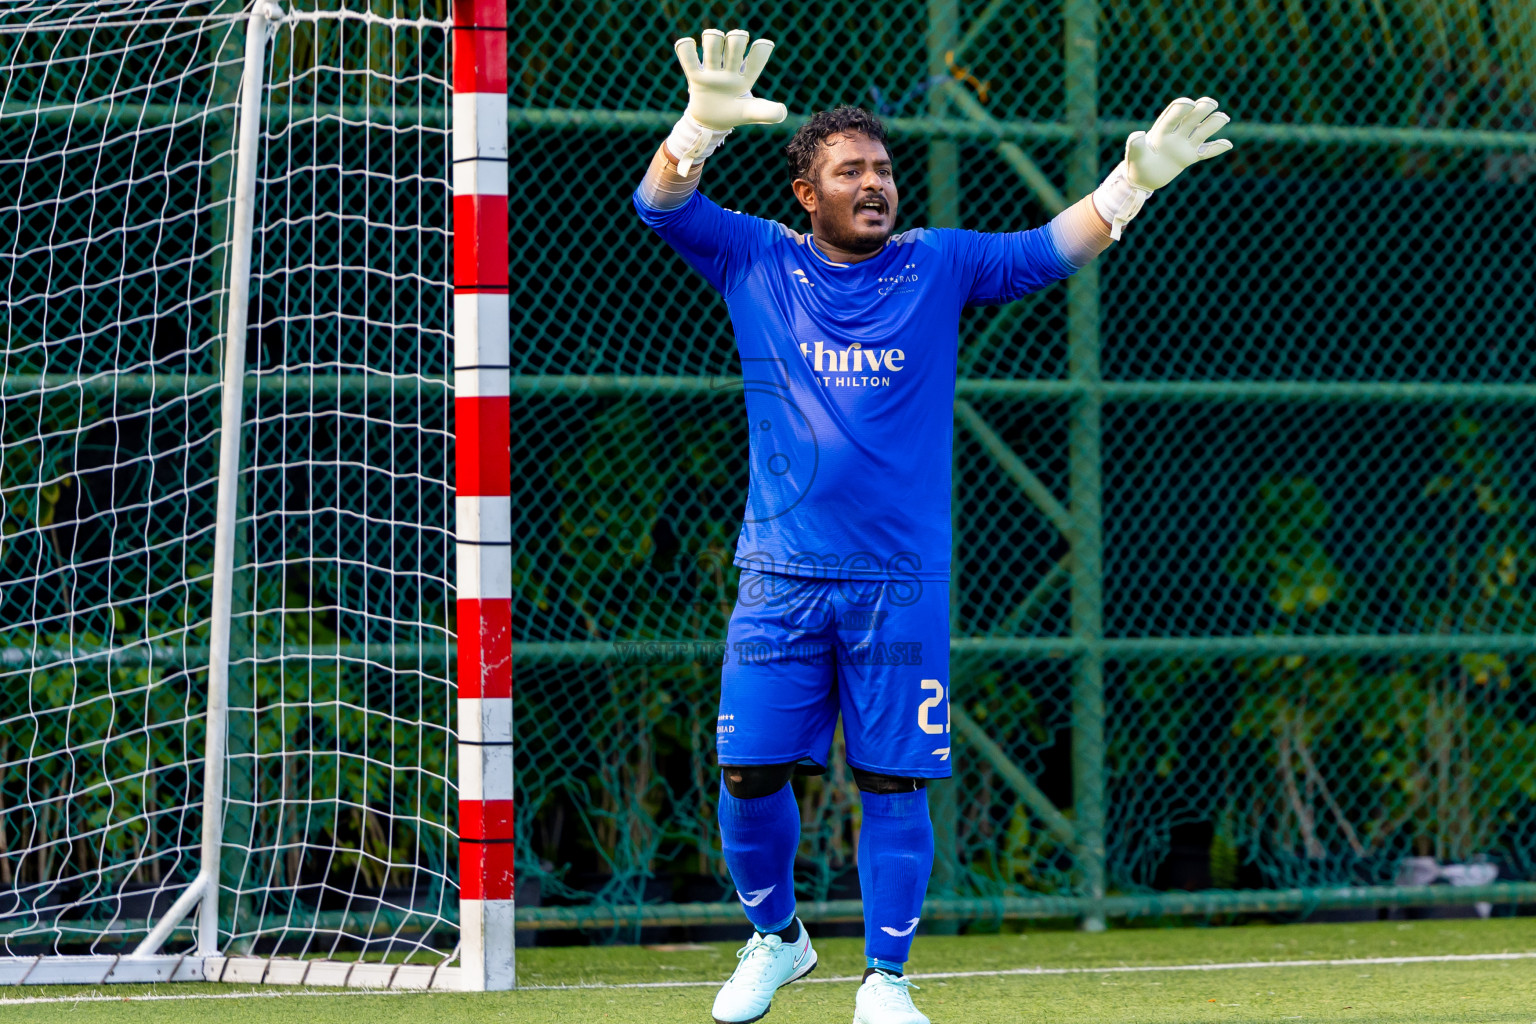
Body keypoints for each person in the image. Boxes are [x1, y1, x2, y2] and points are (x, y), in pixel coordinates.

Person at [632, 27, 1233, 1024]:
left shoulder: (938, 264)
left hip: (898, 585)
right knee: (745, 774)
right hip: (779, 576)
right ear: (806, 193)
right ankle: (776, 939)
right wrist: (696, 128)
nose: (873, 183)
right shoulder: (755, 259)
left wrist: (1133, 185)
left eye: (881, 169)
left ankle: (886, 980)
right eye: (848, 171)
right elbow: (660, 205)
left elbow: (1050, 249)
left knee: (892, 782)